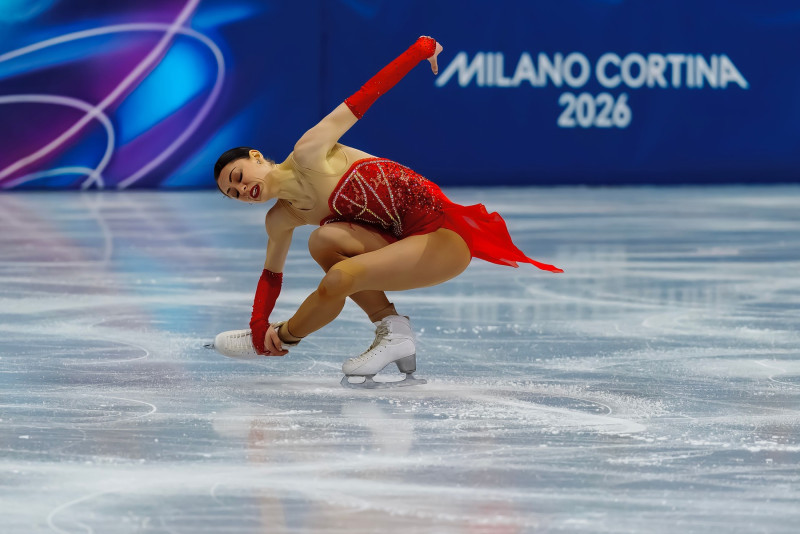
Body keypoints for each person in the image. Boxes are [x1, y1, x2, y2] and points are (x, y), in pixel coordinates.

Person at [211, 36, 562, 388]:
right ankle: (393, 328)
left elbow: (366, 95)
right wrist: (257, 324)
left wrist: (420, 51)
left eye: (238, 177)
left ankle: (284, 337)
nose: (242, 190)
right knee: (323, 241)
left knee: (339, 278)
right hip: (398, 244)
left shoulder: (309, 151)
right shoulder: (281, 218)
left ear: (257, 157)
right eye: (233, 193)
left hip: (442, 239)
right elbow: (271, 274)